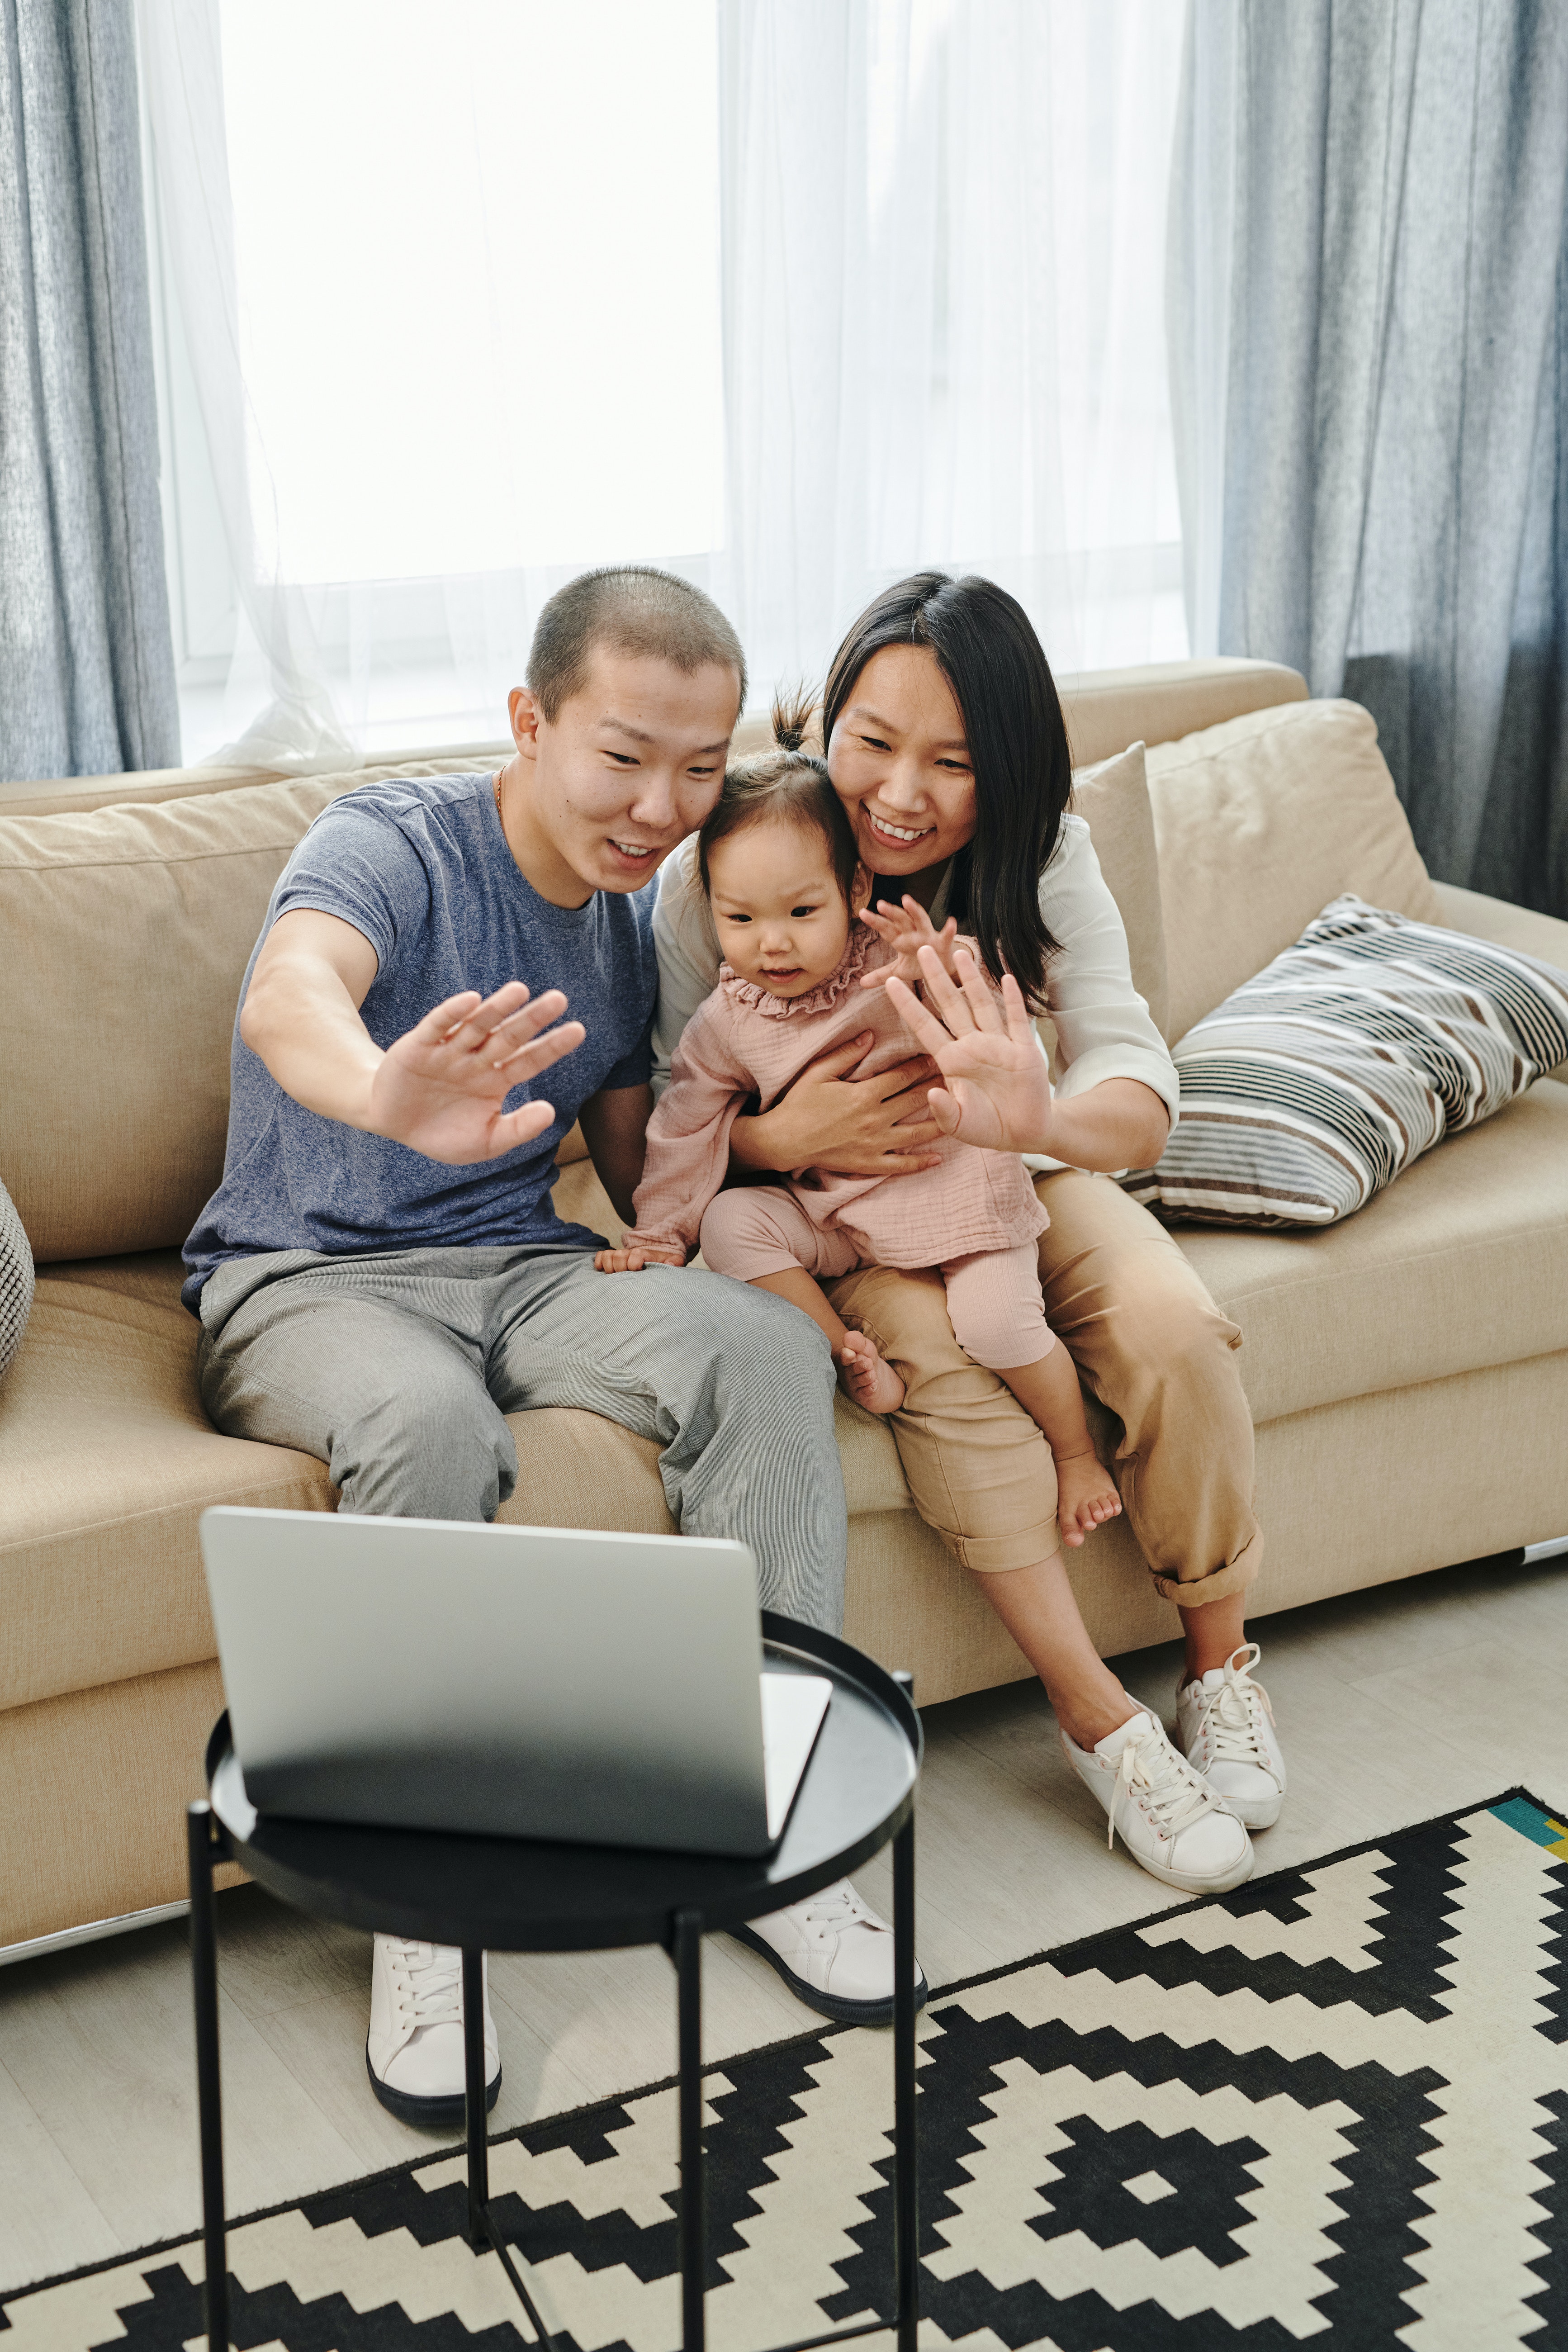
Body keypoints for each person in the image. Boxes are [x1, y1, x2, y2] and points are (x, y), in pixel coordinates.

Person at [184, 567, 918, 2131]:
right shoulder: (391, 842)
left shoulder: (630, 918)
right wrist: (381, 1091)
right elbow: (288, 995)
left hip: (521, 1265)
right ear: (529, 722)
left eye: (700, 766)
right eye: (624, 755)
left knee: (758, 1358)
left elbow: (644, 1144)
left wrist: (789, 1159)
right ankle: (418, 1912)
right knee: (430, 1428)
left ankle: (762, 1822)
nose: (663, 806)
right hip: (308, 1276)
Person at [653, 572, 1287, 1899]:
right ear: (824, 719)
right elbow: (666, 1107)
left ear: (1004, 767)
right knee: (947, 1363)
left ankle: (1218, 1669)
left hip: (1012, 1171)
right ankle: (1097, 1721)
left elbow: (1134, 1084)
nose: (898, 793)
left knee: (1169, 1326)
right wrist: (782, 1136)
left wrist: (1036, 1111)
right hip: (847, 1222)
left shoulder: (1040, 853)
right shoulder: (734, 852)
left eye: (950, 762)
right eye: (871, 742)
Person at [597, 697, 1124, 1552]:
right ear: (714, 912)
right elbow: (685, 1128)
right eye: (741, 919)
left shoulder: (894, 967)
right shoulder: (725, 1022)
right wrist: (660, 1232)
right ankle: (848, 1353)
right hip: (836, 1220)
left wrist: (940, 966)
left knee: (995, 1322)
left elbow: (996, 1033)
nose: (772, 944)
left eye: (801, 913)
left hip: (950, 1197)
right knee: (735, 1223)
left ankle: (1075, 1457)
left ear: (852, 890)